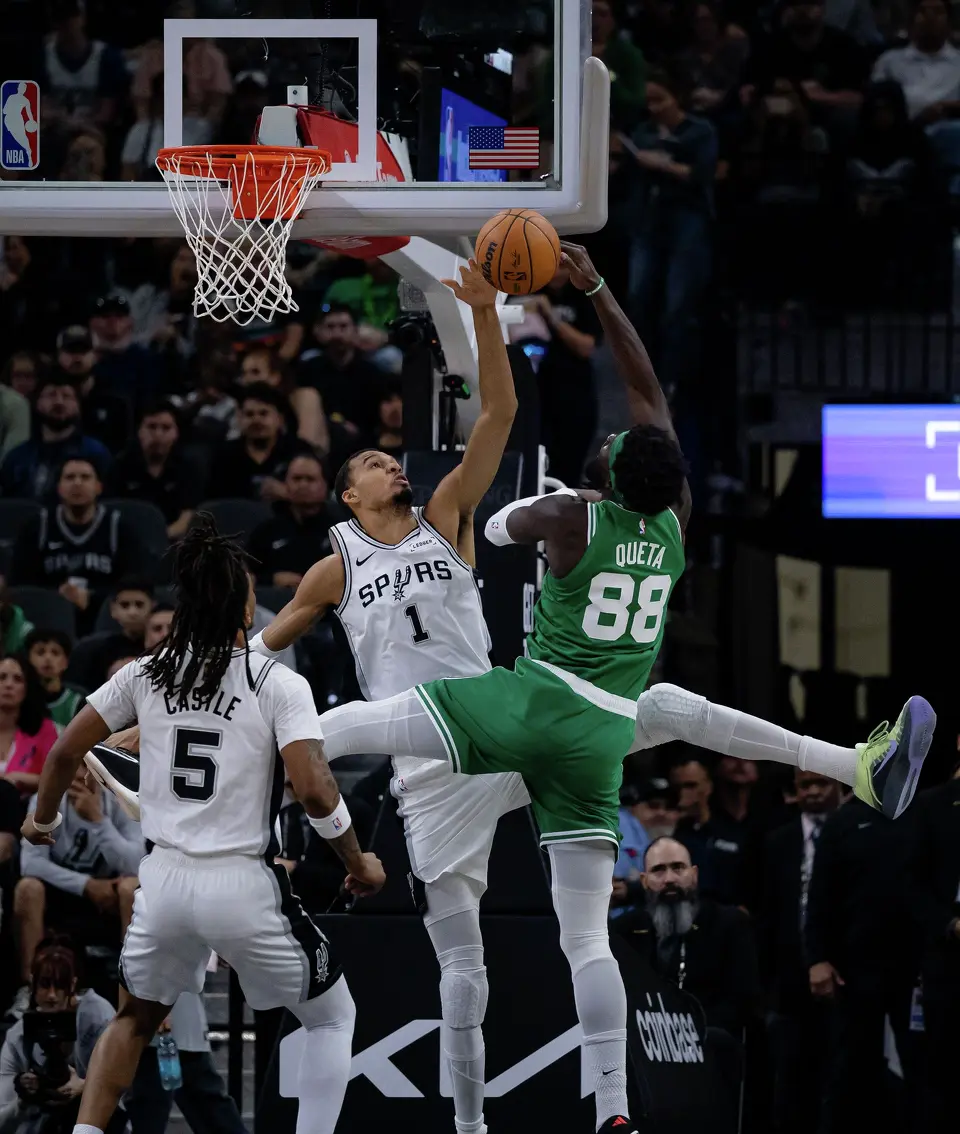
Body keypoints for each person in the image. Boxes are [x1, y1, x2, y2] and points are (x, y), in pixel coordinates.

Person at [298, 243, 937, 1134]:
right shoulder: (672, 523)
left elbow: (507, 522)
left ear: (607, 473)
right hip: (595, 739)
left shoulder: (568, 514)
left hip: (511, 716)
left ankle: (471, 1126)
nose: (614, 432)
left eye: (611, 446)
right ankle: (614, 1110)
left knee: (336, 730)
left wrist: (550, 470)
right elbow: (647, 401)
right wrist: (596, 289)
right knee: (606, 882)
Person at [250, 259, 525, 1134]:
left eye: (388, 456)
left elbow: (499, 415)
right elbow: (263, 652)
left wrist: (484, 312)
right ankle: (472, 1127)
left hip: (493, 724)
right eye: (371, 462)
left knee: (629, 725)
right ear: (349, 495)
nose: (387, 463)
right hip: (426, 770)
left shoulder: (447, 513)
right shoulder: (335, 565)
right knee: (463, 969)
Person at [21, 515, 385, 1134]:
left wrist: (42, 820)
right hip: (242, 883)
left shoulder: (145, 672)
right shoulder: (277, 682)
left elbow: (62, 753)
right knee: (331, 1017)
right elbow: (315, 790)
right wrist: (359, 861)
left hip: (162, 882)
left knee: (133, 1021)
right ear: (244, 610)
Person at [24, 629, 86, 727]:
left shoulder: (78, 703)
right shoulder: (19, 698)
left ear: (65, 662)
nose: (48, 658)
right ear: (28, 659)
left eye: (55, 653)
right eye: (40, 652)